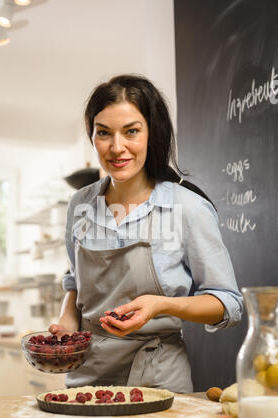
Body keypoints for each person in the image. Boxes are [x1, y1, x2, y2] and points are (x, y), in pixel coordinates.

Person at [49, 74, 243, 393]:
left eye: (131, 132)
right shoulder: (80, 205)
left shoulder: (188, 208)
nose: (116, 147)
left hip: (157, 376)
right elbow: (74, 279)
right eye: (103, 133)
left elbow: (228, 303)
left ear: (152, 133)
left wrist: (160, 305)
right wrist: (66, 318)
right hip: (86, 376)